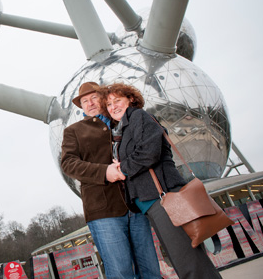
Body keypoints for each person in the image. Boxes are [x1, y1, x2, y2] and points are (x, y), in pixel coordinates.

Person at [104, 83, 222, 279]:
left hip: (164, 197)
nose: (113, 107)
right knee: (182, 258)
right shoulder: (125, 127)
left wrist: (120, 169)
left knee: (188, 260)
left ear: (131, 100)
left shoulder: (139, 117)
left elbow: (149, 153)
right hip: (151, 201)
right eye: (109, 104)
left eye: (118, 100)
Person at [61, 82, 161, 279]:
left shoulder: (123, 121)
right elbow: (68, 163)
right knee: (120, 272)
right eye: (84, 101)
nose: (89, 103)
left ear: (104, 98)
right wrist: (104, 172)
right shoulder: (74, 131)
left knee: (150, 269)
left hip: (136, 204)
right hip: (103, 210)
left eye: (94, 98)